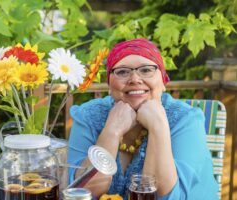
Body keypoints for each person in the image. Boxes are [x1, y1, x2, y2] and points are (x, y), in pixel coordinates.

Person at [67, 38, 218, 200]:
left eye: (146, 70)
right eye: (123, 71)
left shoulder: (186, 120)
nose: (135, 79)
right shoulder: (88, 116)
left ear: (163, 81)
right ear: (109, 85)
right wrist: (112, 131)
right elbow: (78, 192)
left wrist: (158, 126)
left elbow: (169, 198)